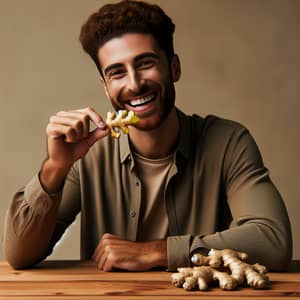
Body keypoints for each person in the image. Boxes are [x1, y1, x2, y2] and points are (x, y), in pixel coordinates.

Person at [3, 0, 292, 272]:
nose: (135, 84)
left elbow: (272, 241)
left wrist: (155, 251)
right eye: (117, 72)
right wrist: (55, 167)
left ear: (174, 67)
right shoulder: (89, 155)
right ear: (105, 87)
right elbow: (19, 255)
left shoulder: (228, 142)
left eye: (145, 64)